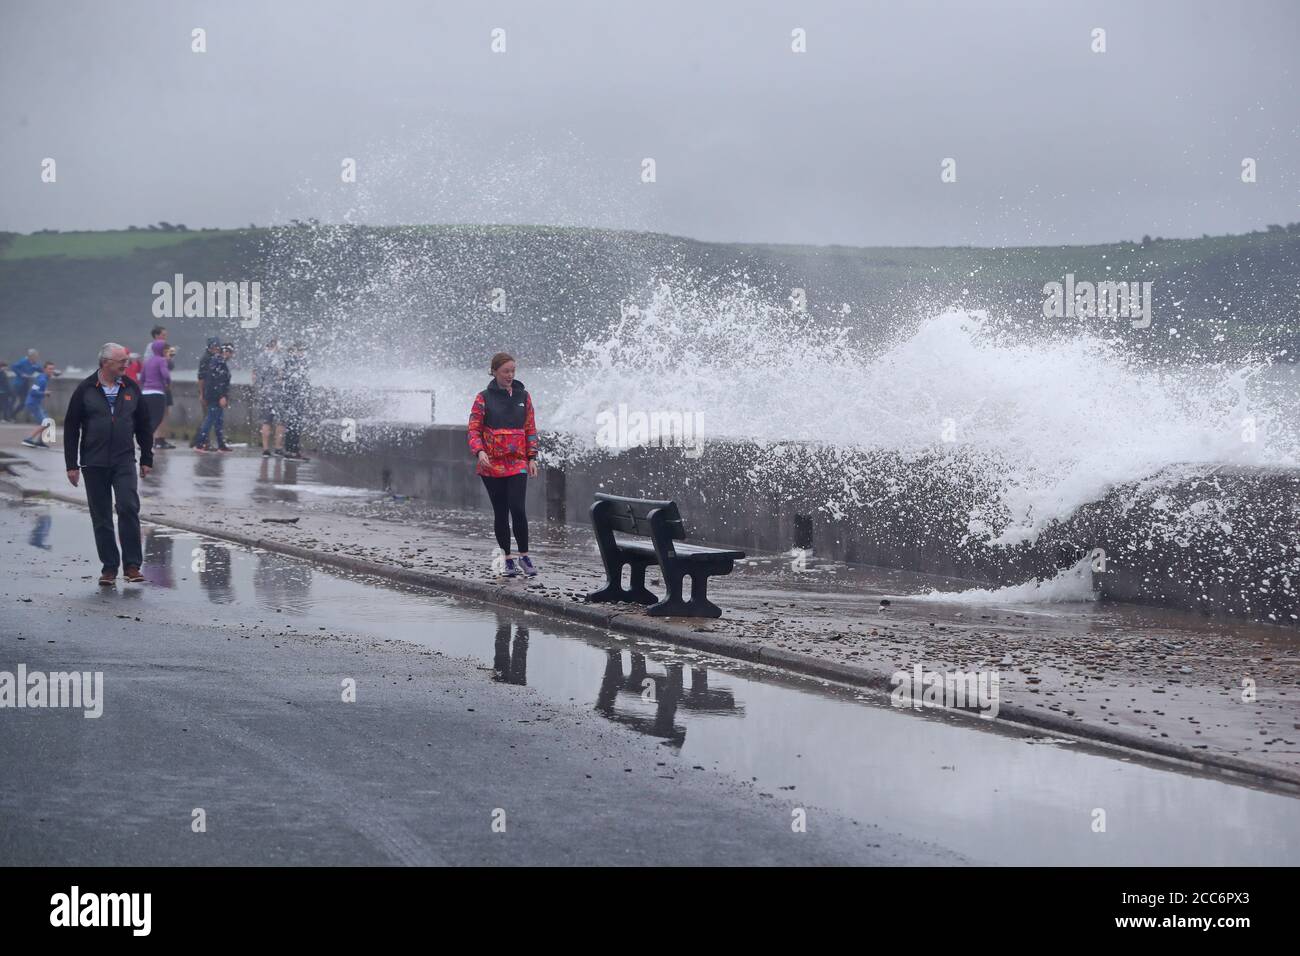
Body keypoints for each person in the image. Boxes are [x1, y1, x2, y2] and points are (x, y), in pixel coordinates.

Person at [63, 343, 154, 586]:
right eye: (121, 361)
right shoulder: (85, 389)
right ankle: (109, 568)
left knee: (127, 507)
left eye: (126, 360)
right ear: (105, 363)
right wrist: (71, 464)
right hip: (93, 463)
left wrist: (147, 457)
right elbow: (71, 428)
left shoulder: (131, 388)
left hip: (124, 460)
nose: (126, 364)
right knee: (101, 516)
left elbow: (144, 425)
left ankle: (133, 566)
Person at [467, 352, 539, 577]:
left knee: (518, 508)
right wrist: (479, 451)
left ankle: (524, 556)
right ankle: (507, 559)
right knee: (501, 511)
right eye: (506, 371)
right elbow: (474, 429)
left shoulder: (523, 396)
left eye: (513, 371)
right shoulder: (483, 397)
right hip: (492, 464)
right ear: (495, 371)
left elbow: (530, 428)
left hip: (517, 462)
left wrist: (532, 457)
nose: (510, 375)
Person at [194, 343, 232, 452]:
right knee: (210, 419)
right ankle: (200, 443)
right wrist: (222, 396)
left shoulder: (216, 361)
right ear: (225, 352)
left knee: (218, 420)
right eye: (230, 352)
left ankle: (221, 444)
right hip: (215, 396)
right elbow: (217, 381)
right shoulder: (218, 362)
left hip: (213, 395)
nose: (231, 356)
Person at [252, 338, 285, 457]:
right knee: (280, 421)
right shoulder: (278, 358)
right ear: (275, 346)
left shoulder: (259, 358)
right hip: (277, 392)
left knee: (266, 421)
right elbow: (281, 375)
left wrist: (260, 388)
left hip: (264, 392)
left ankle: (265, 449)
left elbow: (254, 376)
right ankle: (278, 448)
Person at [280, 343, 310, 460]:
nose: (303, 353)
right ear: (295, 351)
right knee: (294, 425)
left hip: (293, 398)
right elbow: (293, 381)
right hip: (294, 398)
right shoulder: (293, 362)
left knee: (293, 424)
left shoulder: (291, 362)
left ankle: (291, 450)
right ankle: (292, 450)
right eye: (301, 350)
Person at [139, 339, 171, 446]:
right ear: (161, 350)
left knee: (148, 418)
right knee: (157, 418)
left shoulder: (148, 361)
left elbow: (142, 378)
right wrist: (167, 383)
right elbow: (165, 374)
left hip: (146, 393)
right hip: (157, 393)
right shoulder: (162, 360)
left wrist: (146, 386)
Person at [190, 336, 221, 448]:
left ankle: (199, 440)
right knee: (208, 418)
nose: (216, 348)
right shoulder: (206, 359)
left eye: (217, 346)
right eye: (213, 346)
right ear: (209, 347)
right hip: (207, 392)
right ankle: (202, 441)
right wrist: (202, 394)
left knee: (208, 417)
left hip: (212, 391)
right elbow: (201, 377)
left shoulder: (215, 357)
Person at [21, 361, 58, 448]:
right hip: (33, 403)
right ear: (44, 369)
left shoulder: (43, 377)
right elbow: (33, 392)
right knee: (45, 423)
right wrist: (44, 393)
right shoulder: (42, 379)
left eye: (52, 369)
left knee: (47, 421)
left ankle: (39, 441)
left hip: (35, 403)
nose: (51, 371)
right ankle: (28, 439)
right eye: (49, 369)